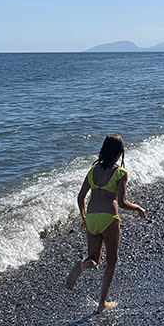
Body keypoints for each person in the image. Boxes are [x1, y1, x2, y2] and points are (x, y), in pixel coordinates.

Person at [65, 133, 145, 313]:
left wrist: (85, 218)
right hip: (109, 218)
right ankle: (102, 303)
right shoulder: (120, 173)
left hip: (92, 217)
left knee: (93, 259)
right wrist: (138, 208)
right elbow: (123, 203)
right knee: (111, 260)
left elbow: (80, 197)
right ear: (119, 153)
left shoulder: (93, 170)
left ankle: (82, 265)